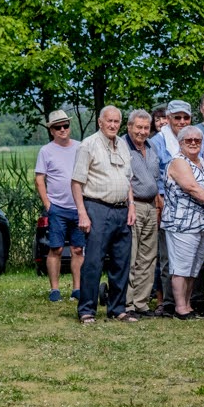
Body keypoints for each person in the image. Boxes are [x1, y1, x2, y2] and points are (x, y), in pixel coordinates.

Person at [71, 106, 135, 324]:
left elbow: (128, 180)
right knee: (94, 261)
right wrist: (82, 213)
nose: (113, 125)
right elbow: (77, 182)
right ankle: (87, 309)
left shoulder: (124, 145)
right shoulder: (88, 145)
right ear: (100, 122)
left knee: (121, 262)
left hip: (121, 209)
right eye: (109, 121)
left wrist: (132, 206)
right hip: (97, 207)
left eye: (117, 121)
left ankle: (117, 308)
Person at [161, 126, 204, 319]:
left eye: (197, 140)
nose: (194, 143)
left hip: (202, 223)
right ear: (180, 143)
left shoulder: (201, 161)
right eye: (189, 140)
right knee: (181, 266)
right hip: (182, 223)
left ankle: (188, 304)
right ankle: (180, 307)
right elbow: (191, 187)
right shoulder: (178, 162)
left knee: (194, 267)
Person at [35, 109, 83, 302]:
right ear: (52, 130)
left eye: (65, 125)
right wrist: (48, 205)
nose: (63, 129)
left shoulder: (81, 147)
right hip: (58, 209)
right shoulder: (46, 151)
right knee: (55, 249)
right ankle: (54, 290)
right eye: (58, 127)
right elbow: (39, 179)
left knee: (78, 249)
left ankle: (77, 289)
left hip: (79, 208)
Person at [123, 110, 161, 317]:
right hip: (133, 205)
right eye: (138, 127)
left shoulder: (152, 146)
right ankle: (127, 303)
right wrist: (129, 204)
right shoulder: (122, 146)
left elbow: (156, 178)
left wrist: (157, 205)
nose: (142, 131)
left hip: (150, 205)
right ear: (129, 127)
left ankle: (141, 302)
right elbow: (124, 178)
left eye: (146, 127)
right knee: (132, 255)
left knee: (148, 256)